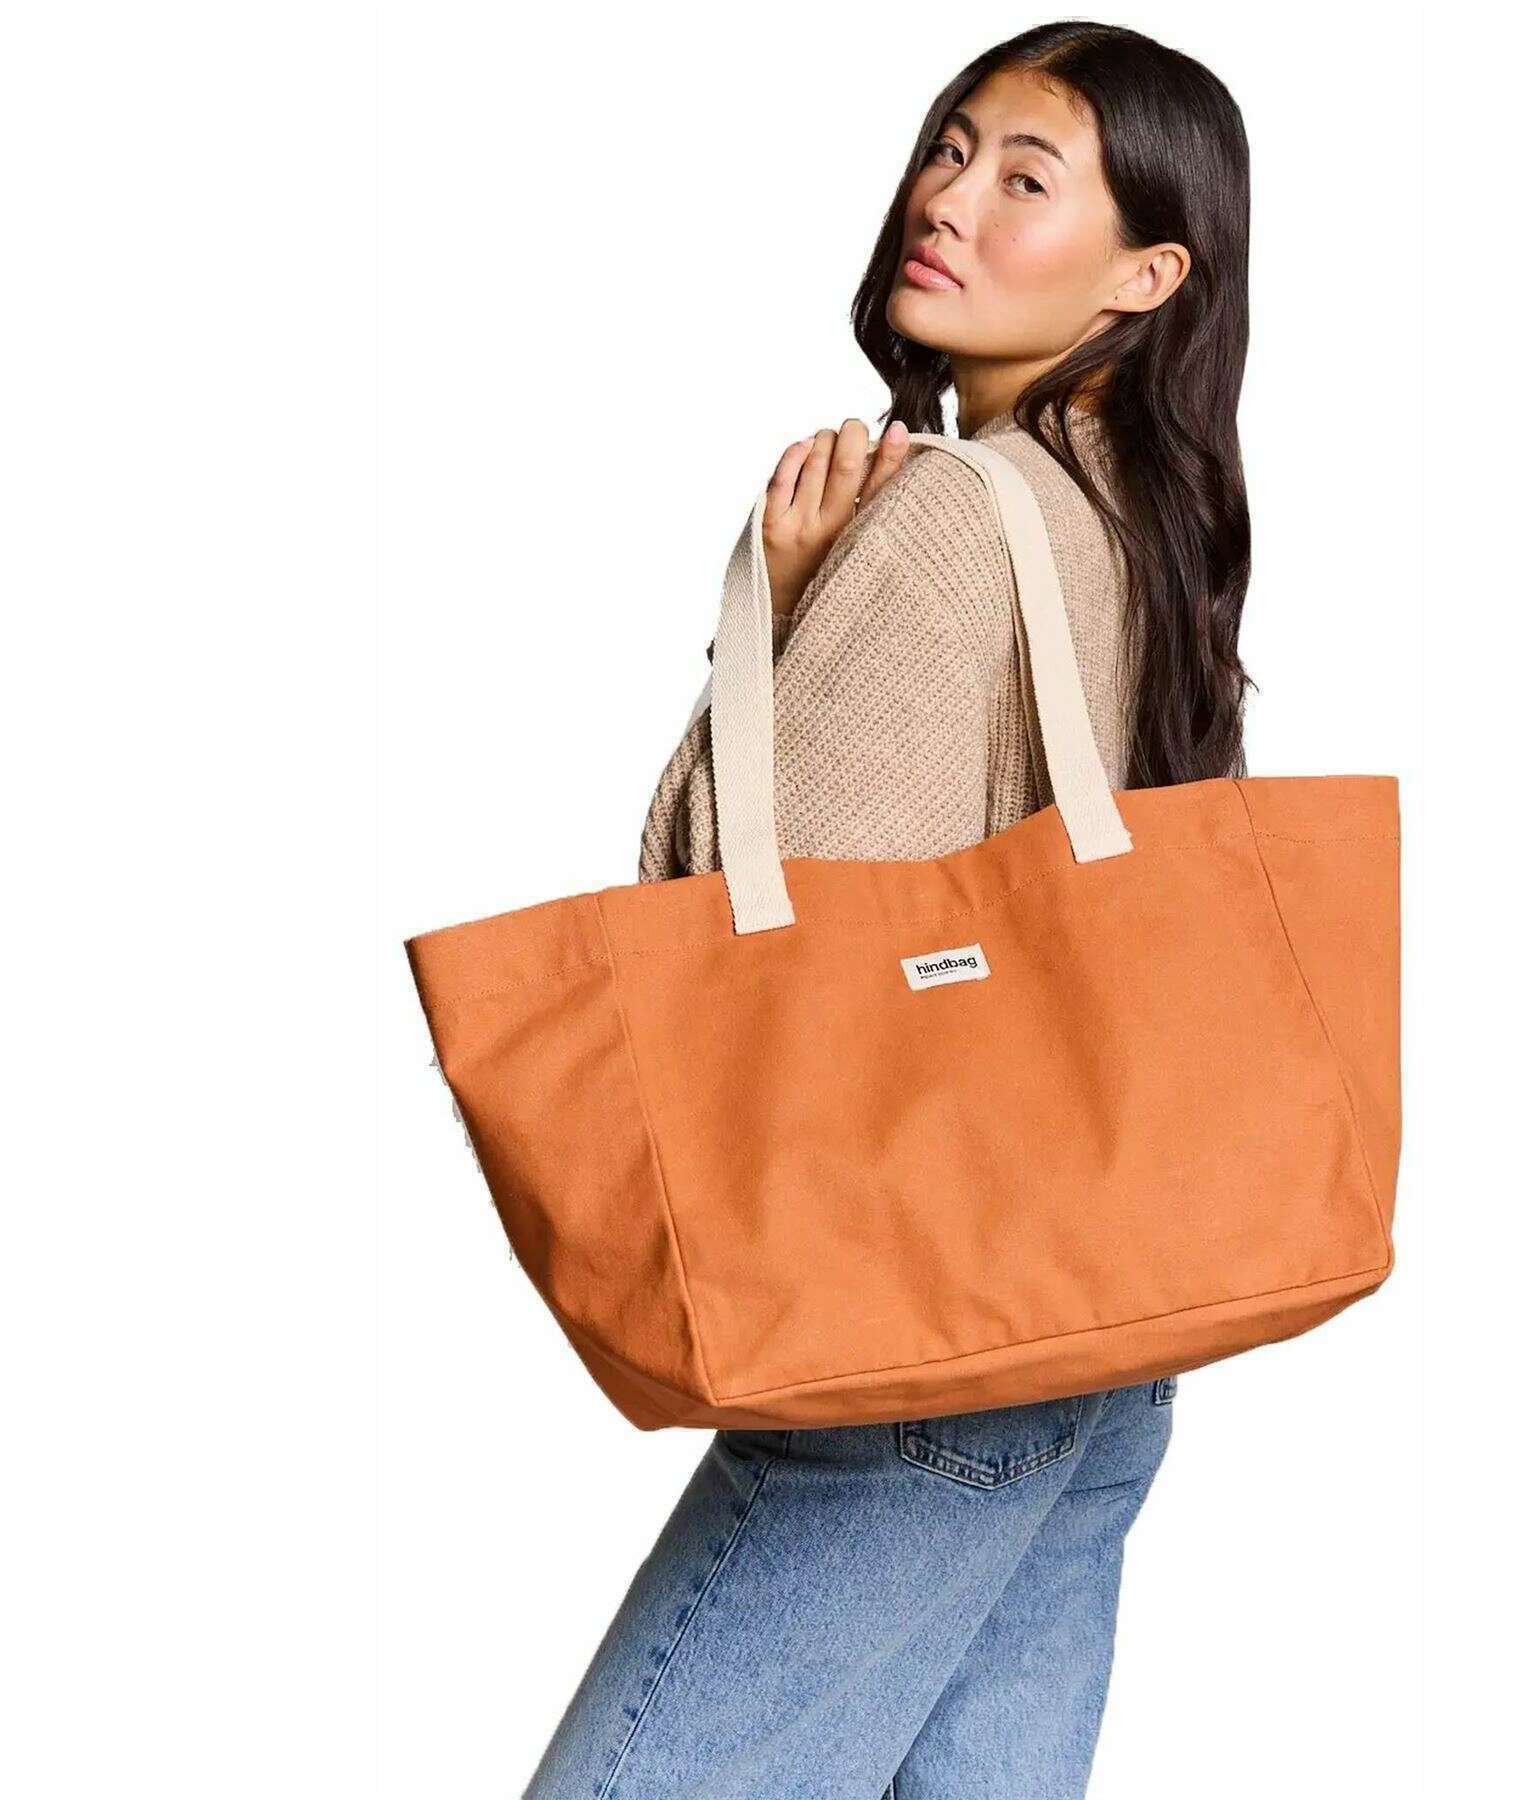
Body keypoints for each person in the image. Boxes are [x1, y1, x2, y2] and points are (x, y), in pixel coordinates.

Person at [524, 21, 1251, 1798]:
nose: (950, 199)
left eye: (1027, 178)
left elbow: (760, 922)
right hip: (1104, 1327)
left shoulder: (948, 521)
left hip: (924, 1331)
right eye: (950, 146)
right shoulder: (1146, 516)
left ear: (1147, 275)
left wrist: (777, 615)